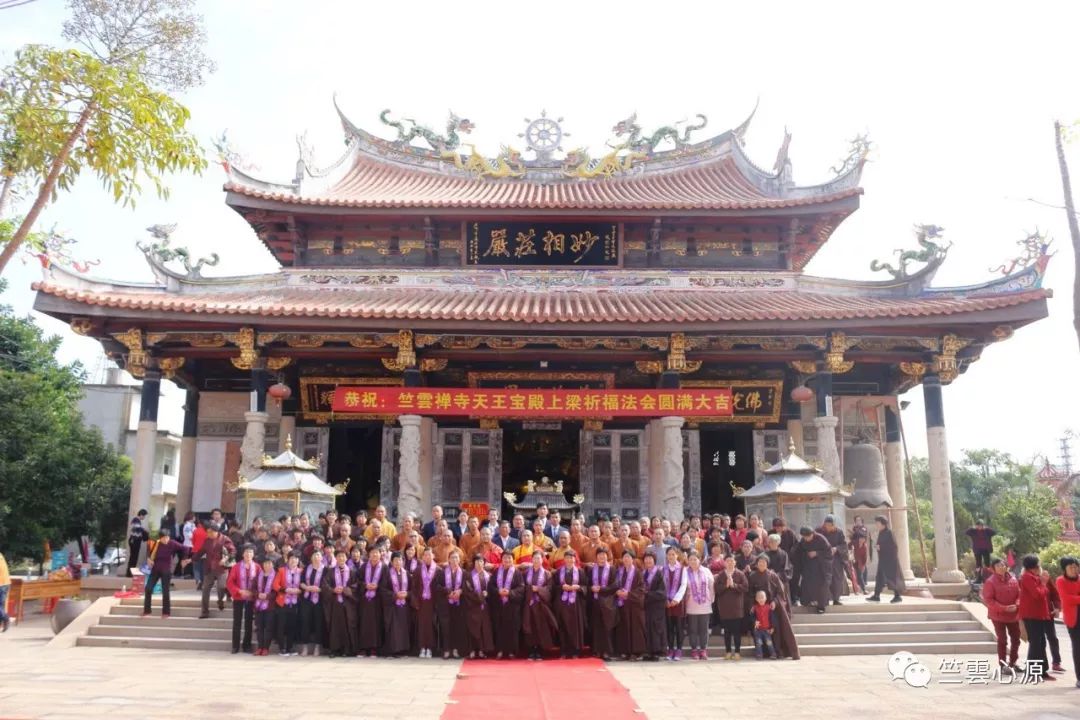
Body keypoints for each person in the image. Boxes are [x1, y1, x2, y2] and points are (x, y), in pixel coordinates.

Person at [746, 554, 800, 659]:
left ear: (767, 563)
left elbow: (781, 591)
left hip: (772, 607)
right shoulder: (752, 576)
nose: (762, 564)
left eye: (764, 562)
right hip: (759, 607)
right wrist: (753, 604)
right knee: (760, 629)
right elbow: (749, 593)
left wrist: (775, 601)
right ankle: (763, 652)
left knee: (777, 629)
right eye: (759, 562)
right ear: (756, 564)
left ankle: (779, 652)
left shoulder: (773, 575)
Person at [1018, 554, 1056, 681]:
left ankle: (1042, 670)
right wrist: (1044, 583)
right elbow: (1038, 594)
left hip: (1039, 614)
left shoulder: (1034, 577)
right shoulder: (1027, 577)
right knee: (1035, 643)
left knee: (1041, 642)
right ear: (1034, 565)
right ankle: (1032, 671)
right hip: (1031, 614)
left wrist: (1043, 581)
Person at [981, 556, 1020, 674]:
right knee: (1002, 640)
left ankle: (1013, 663)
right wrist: (1004, 608)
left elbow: (1019, 594)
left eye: (1003, 565)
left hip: (1013, 615)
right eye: (998, 566)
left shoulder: (1013, 579)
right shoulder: (990, 582)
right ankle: (1003, 665)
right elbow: (989, 600)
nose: (1002, 567)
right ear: (993, 569)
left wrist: (1017, 605)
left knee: (1016, 639)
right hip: (998, 616)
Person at [141, 528, 187, 619]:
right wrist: (149, 559)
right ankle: (147, 610)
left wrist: (184, 559)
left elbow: (185, 548)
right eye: (163, 538)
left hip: (166, 570)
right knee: (148, 588)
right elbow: (149, 554)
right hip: (155, 570)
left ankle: (166, 612)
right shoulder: (156, 543)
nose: (166, 540)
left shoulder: (172, 543)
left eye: (167, 537)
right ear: (160, 538)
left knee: (165, 591)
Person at [522, 550, 558, 660]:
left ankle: (540, 651)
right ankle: (532, 649)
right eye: (534, 558)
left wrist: (539, 589)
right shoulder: (526, 573)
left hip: (541, 605)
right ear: (531, 560)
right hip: (529, 604)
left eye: (539, 558)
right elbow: (522, 587)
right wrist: (529, 589)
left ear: (542, 560)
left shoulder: (547, 574)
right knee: (530, 627)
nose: (536, 560)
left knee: (541, 628)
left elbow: (550, 589)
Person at [488, 551, 524, 659]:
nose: (507, 560)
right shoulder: (496, 572)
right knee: (499, 628)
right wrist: (498, 591)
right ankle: (499, 650)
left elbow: (521, 588)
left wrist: (510, 593)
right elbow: (490, 586)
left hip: (512, 605)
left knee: (512, 629)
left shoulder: (517, 573)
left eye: (509, 558)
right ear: (501, 560)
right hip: (499, 605)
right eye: (504, 558)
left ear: (513, 560)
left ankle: (511, 651)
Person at [196, 523, 235, 619]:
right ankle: (204, 612)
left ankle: (220, 600)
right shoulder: (207, 540)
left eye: (210, 532)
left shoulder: (225, 539)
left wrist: (225, 559)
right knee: (205, 590)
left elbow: (233, 551)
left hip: (222, 568)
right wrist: (190, 559)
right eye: (207, 532)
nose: (208, 534)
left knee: (221, 587)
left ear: (216, 531)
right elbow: (201, 551)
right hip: (209, 568)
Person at [323, 549, 358, 658]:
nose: (341, 558)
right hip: (335, 603)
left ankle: (347, 650)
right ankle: (335, 650)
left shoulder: (352, 572)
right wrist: (333, 590)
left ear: (346, 558)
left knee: (348, 626)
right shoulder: (330, 571)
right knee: (335, 626)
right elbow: (325, 585)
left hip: (348, 604)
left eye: (343, 556)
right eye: (339, 556)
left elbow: (356, 586)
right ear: (336, 558)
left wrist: (346, 590)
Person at [553, 549, 587, 659]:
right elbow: (553, 587)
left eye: (571, 558)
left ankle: (575, 651)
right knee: (563, 626)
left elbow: (586, 586)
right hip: (562, 603)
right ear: (564, 559)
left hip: (575, 604)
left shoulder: (580, 572)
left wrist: (579, 588)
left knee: (575, 627)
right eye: (567, 557)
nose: (569, 560)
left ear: (575, 559)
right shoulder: (559, 572)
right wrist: (561, 587)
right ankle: (564, 650)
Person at [613, 550, 646, 661]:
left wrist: (629, 594)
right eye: (624, 557)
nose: (626, 559)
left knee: (635, 628)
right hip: (622, 604)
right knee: (624, 628)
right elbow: (615, 584)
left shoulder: (637, 572)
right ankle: (625, 651)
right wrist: (617, 591)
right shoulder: (619, 571)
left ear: (633, 559)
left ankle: (636, 652)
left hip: (634, 605)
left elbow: (641, 589)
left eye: (628, 557)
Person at [435, 550, 468, 659]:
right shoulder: (442, 572)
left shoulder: (464, 573)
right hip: (445, 605)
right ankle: (446, 650)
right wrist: (448, 592)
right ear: (448, 559)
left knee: (457, 627)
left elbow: (468, 588)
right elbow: (437, 586)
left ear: (460, 560)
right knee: (446, 627)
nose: (454, 560)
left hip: (459, 605)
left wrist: (460, 591)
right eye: (452, 558)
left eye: (456, 558)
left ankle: (455, 649)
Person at [791, 526, 831, 614]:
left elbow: (829, 552)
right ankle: (807, 601)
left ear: (813, 534)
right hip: (808, 567)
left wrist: (817, 553)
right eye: (804, 537)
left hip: (820, 567)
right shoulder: (803, 541)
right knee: (807, 584)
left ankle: (821, 606)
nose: (806, 539)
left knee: (821, 586)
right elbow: (798, 552)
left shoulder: (821, 539)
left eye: (808, 537)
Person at [227, 544, 259, 654]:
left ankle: (247, 645)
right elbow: (230, 582)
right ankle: (235, 646)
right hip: (238, 597)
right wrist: (240, 591)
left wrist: (252, 592)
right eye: (246, 552)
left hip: (251, 598)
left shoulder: (257, 567)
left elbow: (260, 583)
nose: (248, 554)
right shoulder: (236, 567)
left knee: (249, 622)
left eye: (250, 552)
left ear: (253, 554)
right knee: (237, 622)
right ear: (242, 554)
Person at [588, 547, 618, 661]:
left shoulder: (612, 569)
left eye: (604, 555)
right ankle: (597, 650)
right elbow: (588, 584)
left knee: (607, 626)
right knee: (596, 626)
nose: (601, 557)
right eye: (599, 555)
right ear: (596, 557)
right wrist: (591, 588)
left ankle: (607, 651)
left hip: (608, 602)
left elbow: (615, 586)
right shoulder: (591, 570)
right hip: (595, 602)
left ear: (607, 556)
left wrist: (601, 589)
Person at [683, 551, 714, 661]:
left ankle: (703, 649)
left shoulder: (706, 571)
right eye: (690, 559)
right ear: (688, 561)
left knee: (704, 629)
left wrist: (711, 600)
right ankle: (694, 650)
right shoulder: (685, 572)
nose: (693, 561)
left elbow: (711, 586)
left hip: (705, 605)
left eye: (695, 559)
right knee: (693, 629)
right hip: (691, 605)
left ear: (699, 560)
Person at [1055, 556, 1080, 688]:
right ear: (1064, 568)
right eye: (1071, 567)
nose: (1074, 569)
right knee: (1078, 648)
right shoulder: (1060, 581)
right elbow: (1066, 599)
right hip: (1074, 619)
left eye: (1076, 566)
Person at [866, 515, 904, 603]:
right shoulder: (881, 533)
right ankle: (876, 595)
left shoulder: (889, 533)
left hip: (890, 561)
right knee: (879, 577)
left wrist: (881, 547)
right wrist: (878, 547)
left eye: (877, 523)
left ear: (883, 523)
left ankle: (897, 596)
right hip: (883, 560)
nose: (876, 524)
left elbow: (894, 546)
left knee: (892, 577)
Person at [462, 555, 494, 659]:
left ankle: (481, 650)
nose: (479, 564)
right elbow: (467, 592)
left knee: (483, 629)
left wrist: (487, 594)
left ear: (484, 563)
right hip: (472, 607)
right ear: (473, 564)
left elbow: (492, 590)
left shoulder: (488, 575)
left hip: (485, 607)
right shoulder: (468, 576)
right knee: (472, 628)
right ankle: (472, 650)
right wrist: (480, 596)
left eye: (481, 562)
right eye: (477, 562)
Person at [382, 551, 411, 657]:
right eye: (395, 560)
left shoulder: (406, 573)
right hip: (392, 606)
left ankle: (404, 649)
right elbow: (383, 590)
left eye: (400, 560)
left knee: (404, 627)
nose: (398, 562)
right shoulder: (387, 574)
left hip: (404, 605)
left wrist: (407, 594)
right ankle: (394, 650)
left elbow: (412, 589)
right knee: (394, 628)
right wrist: (395, 595)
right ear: (391, 561)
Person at [411, 546, 439, 659]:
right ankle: (422, 647)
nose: (427, 557)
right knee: (422, 625)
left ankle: (430, 648)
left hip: (433, 603)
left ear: (433, 556)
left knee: (431, 625)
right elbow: (413, 588)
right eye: (425, 555)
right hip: (421, 602)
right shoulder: (418, 570)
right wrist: (415, 602)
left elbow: (439, 589)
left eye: (429, 554)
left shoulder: (438, 570)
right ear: (422, 557)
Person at [273, 552, 303, 656]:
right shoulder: (281, 571)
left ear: (298, 561)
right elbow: (275, 585)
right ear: (287, 560)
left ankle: (290, 648)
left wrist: (300, 591)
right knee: (281, 625)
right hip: (283, 602)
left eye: (296, 559)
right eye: (291, 559)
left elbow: (304, 584)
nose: (293, 561)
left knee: (292, 626)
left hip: (295, 603)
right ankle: (282, 648)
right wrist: (286, 590)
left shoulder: (301, 571)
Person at [298, 547, 326, 656]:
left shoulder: (325, 569)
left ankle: (317, 647)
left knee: (318, 623)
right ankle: (305, 647)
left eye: (318, 555)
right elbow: (301, 582)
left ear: (322, 557)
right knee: (305, 622)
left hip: (319, 600)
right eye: (314, 555)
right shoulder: (307, 569)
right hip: (307, 599)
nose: (316, 557)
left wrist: (320, 589)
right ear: (311, 557)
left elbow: (327, 584)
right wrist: (307, 587)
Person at [357, 548, 385, 657]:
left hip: (377, 600)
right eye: (372, 553)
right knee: (364, 623)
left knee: (376, 624)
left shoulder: (384, 567)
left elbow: (387, 583)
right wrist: (365, 585)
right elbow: (358, 581)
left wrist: (378, 586)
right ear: (369, 555)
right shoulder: (364, 567)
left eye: (376, 553)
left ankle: (374, 649)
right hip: (365, 600)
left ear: (380, 555)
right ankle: (363, 648)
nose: (374, 555)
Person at [817, 515, 850, 606]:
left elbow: (844, 545)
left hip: (836, 559)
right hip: (823, 559)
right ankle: (825, 599)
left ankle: (836, 599)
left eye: (830, 525)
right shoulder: (819, 531)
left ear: (834, 525)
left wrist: (836, 548)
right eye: (826, 524)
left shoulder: (839, 532)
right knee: (824, 579)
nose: (828, 527)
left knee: (836, 579)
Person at [641, 552, 668, 661]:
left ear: (654, 560)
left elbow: (662, 592)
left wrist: (648, 594)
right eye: (646, 559)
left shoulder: (659, 573)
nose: (648, 561)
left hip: (657, 606)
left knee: (656, 628)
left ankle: (657, 652)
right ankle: (648, 651)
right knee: (647, 628)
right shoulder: (643, 573)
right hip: (646, 606)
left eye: (650, 559)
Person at [662, 546, 687, 660]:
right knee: (669, 627)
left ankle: (679, 650)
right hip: (667, 603)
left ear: (677, 555)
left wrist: (676, 599)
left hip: (678, 603)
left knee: (679, 627)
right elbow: (661, 586)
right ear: (666, 556)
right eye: (669, 554)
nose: (671, 556)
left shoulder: (682, 569)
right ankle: (670, 649)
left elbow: (683, 585)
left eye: (673, 554)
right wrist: (666, 599)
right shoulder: (663, 569)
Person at [252, 555, 278, 656]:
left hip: (270, 606)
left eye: (269, 563)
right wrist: (258, 594)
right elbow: (253, 588)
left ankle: (266, 647)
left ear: (273, 565)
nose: (267, 565)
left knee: (268, 627)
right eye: (265, 563)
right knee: (259, 627)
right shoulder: (258, 575)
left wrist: (267, 596)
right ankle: (260, 647)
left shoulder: (276, 576)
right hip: (258, 605)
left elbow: (277, 591)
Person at [751, 590, 777, 659]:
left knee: (769, 642)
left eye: (762, 597)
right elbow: (752, 617)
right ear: (756, 599)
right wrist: (754, 622)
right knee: (758, 643)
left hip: (767, 629)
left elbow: (772, 619)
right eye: (759, 598)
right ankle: (759, 655)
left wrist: (773, 627)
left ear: (766, 598)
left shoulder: (769, 608)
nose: (761, 599)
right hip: (758, 630)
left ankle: (773, 654)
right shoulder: (754, 608)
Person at [849, 516, 870, 594]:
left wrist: (863, 564)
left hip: (860, 560)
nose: (858, 521)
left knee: (860, 573)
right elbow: (849, 546)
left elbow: (865, 557)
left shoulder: (863, 529)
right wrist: (851, 558)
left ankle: (863, 588)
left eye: (859, 520)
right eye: (856, 520)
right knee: (854, 575)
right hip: (853, 558)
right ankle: (857, 590)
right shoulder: (853, 542)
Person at [126, 509, 149, 577]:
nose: (144, 518)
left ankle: (130, 573)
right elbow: (138, 528)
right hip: (134, 540)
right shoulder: (136, 520)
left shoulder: (138, 521)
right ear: (141, 514)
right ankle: (130, 573)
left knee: (134, 557)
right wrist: (145, 530)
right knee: (133, 557)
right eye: (144, 516)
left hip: (136, 540)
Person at [0, 550, 10, 632]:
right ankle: (2, 622)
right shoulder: (1, 555)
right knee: (1, 605)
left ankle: (5, 618)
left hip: (1, 584)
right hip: (6, 583)